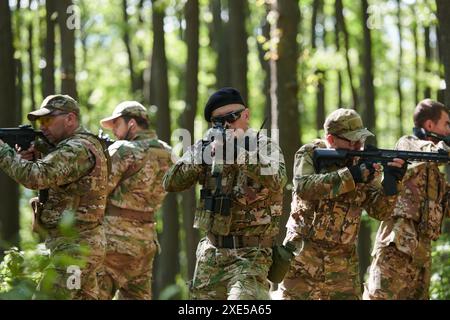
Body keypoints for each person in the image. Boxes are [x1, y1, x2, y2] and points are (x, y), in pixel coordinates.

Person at [163, 87, 287, 300]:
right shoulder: (206, 147)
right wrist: (202, 155)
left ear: (246, 115)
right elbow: (170, 182)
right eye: (218, 121)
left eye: (231, 118)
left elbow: (278, 179)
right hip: (211, 257)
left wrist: (237, 153)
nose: (226, 125)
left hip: (251, 256)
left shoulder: (264, 145)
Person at [278, 108, 406, 300]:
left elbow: (380, 212)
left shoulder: (363, 164)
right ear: (331, 139)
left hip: (343, 267)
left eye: (360, 140)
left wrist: (392, 182)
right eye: (352, 141)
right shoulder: (310, 153)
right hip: (303, 260)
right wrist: (352, 175)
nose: (358, 146)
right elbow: (304, 187)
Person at [0, 94, 108, 299]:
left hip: (74, 250)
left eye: (49, 119)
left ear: (70, 119)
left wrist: (3, 153)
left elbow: (35, 177)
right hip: (78, 247)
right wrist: (33, 157)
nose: (42, 126)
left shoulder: (77, 149)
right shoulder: (79, 146)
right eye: (41, 121)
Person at [364, 99, 450, 300]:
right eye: (447, 123)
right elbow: (433, 152)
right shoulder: (409, 144)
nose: (448, 129)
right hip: (396, 249)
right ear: (430, 125)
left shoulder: (437, 177)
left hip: (421, 257)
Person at [97, 101, 172, 300]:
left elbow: (98, 191)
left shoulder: (123, 150)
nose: (113, 130)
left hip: (114, 241)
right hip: (147, 242)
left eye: (116, 124)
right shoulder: (169, 153)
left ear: (131, 123)